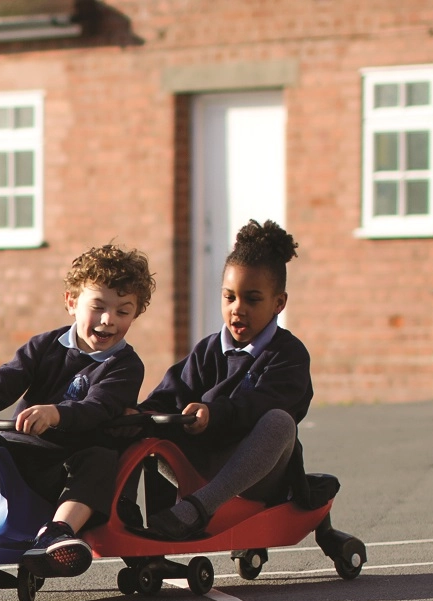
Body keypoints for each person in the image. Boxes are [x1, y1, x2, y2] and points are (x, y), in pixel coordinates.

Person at [0, 244, 156, 578]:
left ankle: (58, 532)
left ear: (135, 315)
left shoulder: (125, 365)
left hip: (66, 472)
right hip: (16, 462)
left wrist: (56, 414)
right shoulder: (45, 346)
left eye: (123, 312)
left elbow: (99, 407)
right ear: (71, 302)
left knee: (101, 457)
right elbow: (3, 381)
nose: (109, 320)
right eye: (98, 307)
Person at [130, 218, 313, 541]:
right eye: (229, 298)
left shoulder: (288, 354)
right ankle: (140, 523)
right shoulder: (208, 350)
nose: (237, 309)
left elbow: (261, 404)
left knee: (279, 422)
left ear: (279, 303)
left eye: (252, 299)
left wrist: (213, 413)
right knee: (147, 425)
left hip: (259, 476)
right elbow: (171, 393)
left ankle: (197, 509)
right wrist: (137, 415)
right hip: (203, 467)